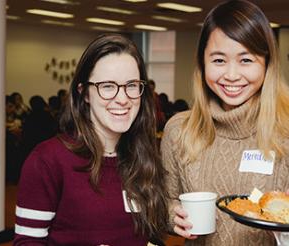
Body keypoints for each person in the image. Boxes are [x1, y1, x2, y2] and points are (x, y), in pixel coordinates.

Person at [14, 34, 168, 245]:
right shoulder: (47, 160)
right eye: (107, 86)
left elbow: (147, 237)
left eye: (131, 85)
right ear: (84, 93)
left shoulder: (142, 156)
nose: (122, 99)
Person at [161, 0, 289, 245]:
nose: (231, 75)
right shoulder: (179, 131)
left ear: (267, 63)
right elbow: (166, 200)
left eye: (246, 60)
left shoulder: (285, 129)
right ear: (202, 62)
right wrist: (171, 216)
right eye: (219, 60)